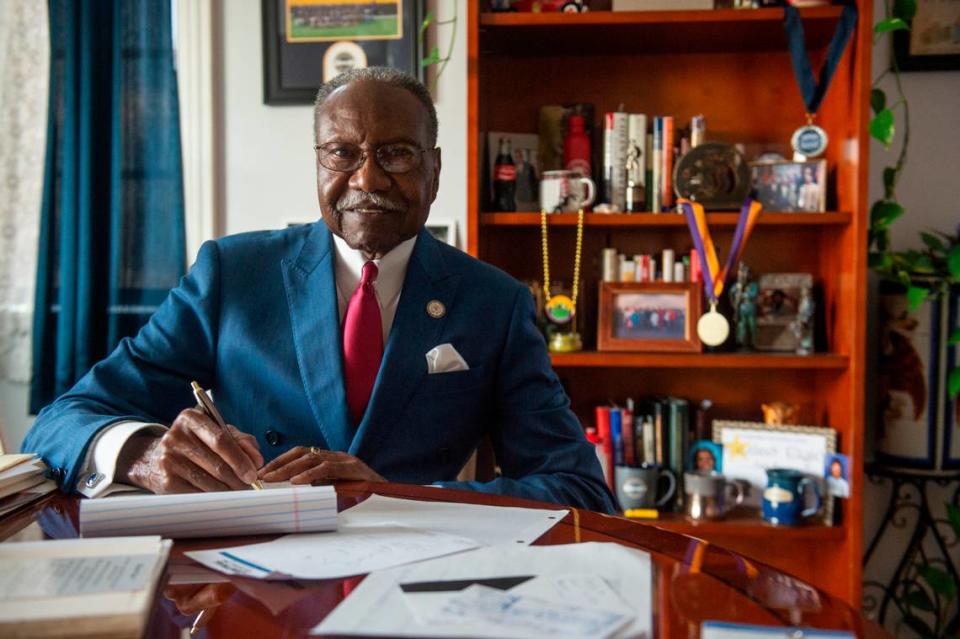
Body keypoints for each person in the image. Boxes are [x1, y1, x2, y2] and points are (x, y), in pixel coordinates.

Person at [23, 68, 615, 514]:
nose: (367, 178)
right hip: (246, 584)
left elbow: (579, 488)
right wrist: (141, 453)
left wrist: (397, 498)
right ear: (318, 163)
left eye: (396, 155)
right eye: (343, 153)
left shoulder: (495, 303)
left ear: (434, 169)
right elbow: (61, 421)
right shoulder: (232, 273)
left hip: (411, 580)